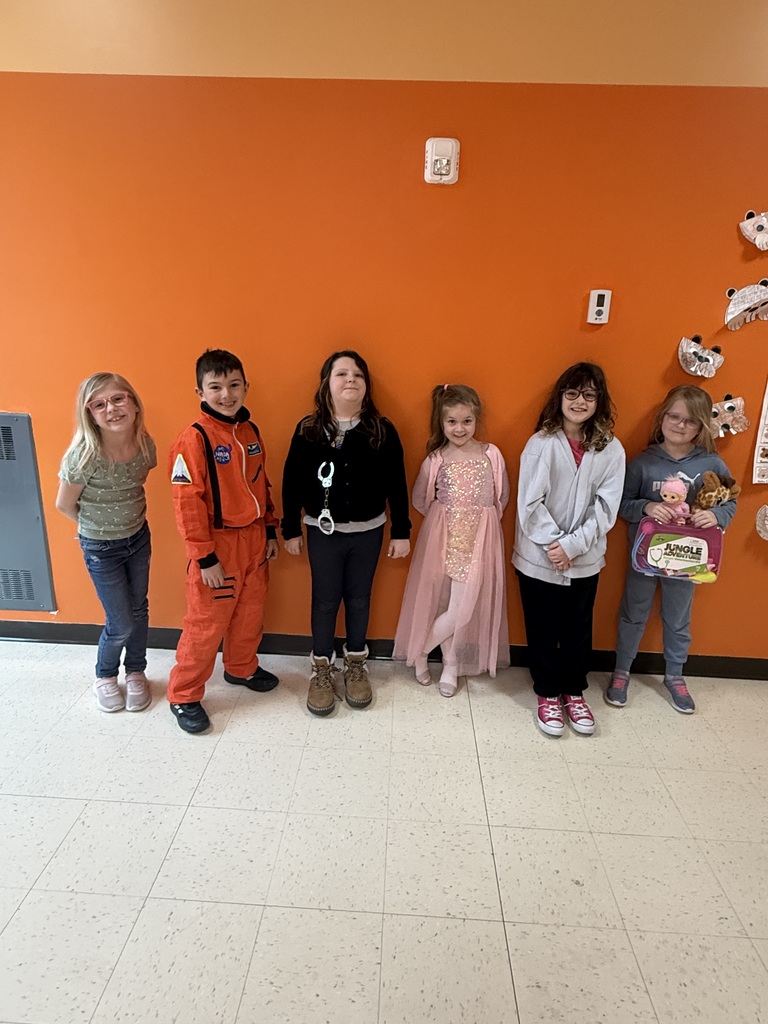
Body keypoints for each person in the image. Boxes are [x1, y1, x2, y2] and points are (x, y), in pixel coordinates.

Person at [282, 350, 411, 716]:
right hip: (322, 533)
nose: (350, 379)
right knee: (324, 600)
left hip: (368, 532)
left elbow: (397, 484)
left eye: (357, 374)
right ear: (327, 384)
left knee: (359, 598)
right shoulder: (307, 430)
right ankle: (321, 668)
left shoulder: (381, 430)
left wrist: (401, 531)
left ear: (367, 387)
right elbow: (291, 482)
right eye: (341, 374)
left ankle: (356, 662)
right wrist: (290, 528)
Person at [167, 349, 279, 734]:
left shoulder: (249, 431)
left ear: (246, 386)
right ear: (199, 390)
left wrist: (269, 529)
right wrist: (204, 557)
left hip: (252, 542)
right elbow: (186, 504)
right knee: (206, 622)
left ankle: (241, 667)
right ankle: (183, 694)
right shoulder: (193, 440)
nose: (226, 394)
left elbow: (261, 483)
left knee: (250, 611)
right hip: (217, 546)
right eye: (215, 387)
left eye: (233, 385)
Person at [606, 385, 737, 714]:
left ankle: (675, 674)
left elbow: (730, 501)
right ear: (662, 418)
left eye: (690, 421)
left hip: (689, 560)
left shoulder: (711, 463)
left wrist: (715, 515)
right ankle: (622, 671)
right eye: (674, 417)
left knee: (678, 618)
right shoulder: (642, 463)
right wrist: (647, 508)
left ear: (702, 426)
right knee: (633, 613)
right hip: (645, 558)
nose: (680, 425)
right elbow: (621, 504)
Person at [513, 362, 625, 737]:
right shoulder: (541, 443)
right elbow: (529, 504)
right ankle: (546, 693)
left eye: (589, 395)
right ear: (560, 397)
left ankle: (573, 692)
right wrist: (554, 544)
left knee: (578, 628)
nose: (580, 401)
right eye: (573, 393)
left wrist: (573, 546)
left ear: (599, 401)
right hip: (538, 557)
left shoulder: (611, 448)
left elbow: (606, 508)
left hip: (585, 559)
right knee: (542, 628)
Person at [393, 384, 510, 696]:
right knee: (444, 604)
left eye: (467, 421)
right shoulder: (436, 459)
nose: (460, 428)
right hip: (443, 540)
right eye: (452, 422)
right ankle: (450, 662)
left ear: (476, 420)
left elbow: (501, 496)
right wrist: (447, 519)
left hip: (478, 543)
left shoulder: (491, 454)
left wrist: (478, 523)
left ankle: (419, 651)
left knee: (462, 608)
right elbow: (421, 499)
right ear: (441, 423)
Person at [56, 372, 157, 713]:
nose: (111, 409)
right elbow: (64, 505)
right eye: (99, 404)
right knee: (121, 621)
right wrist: (91, 531)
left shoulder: (145, 446)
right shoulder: (83, 456)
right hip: (101, 548)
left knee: (140, 609)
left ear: (133, 401)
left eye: (118, 399)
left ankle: (136, 670)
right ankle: (105, 674)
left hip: (138, 540)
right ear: (90, 414)